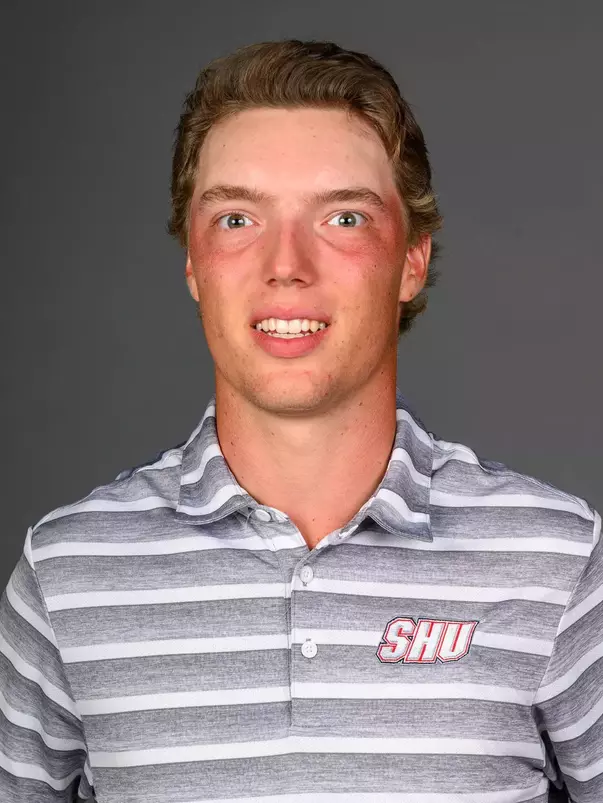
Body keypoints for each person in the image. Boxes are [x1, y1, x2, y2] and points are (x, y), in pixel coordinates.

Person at [0, 38, 599, 803]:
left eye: (343, 217)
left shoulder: (558, 562)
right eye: (237, 218)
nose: (286, 263)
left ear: (411, 260)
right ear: (192, 261)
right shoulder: (63, 579)